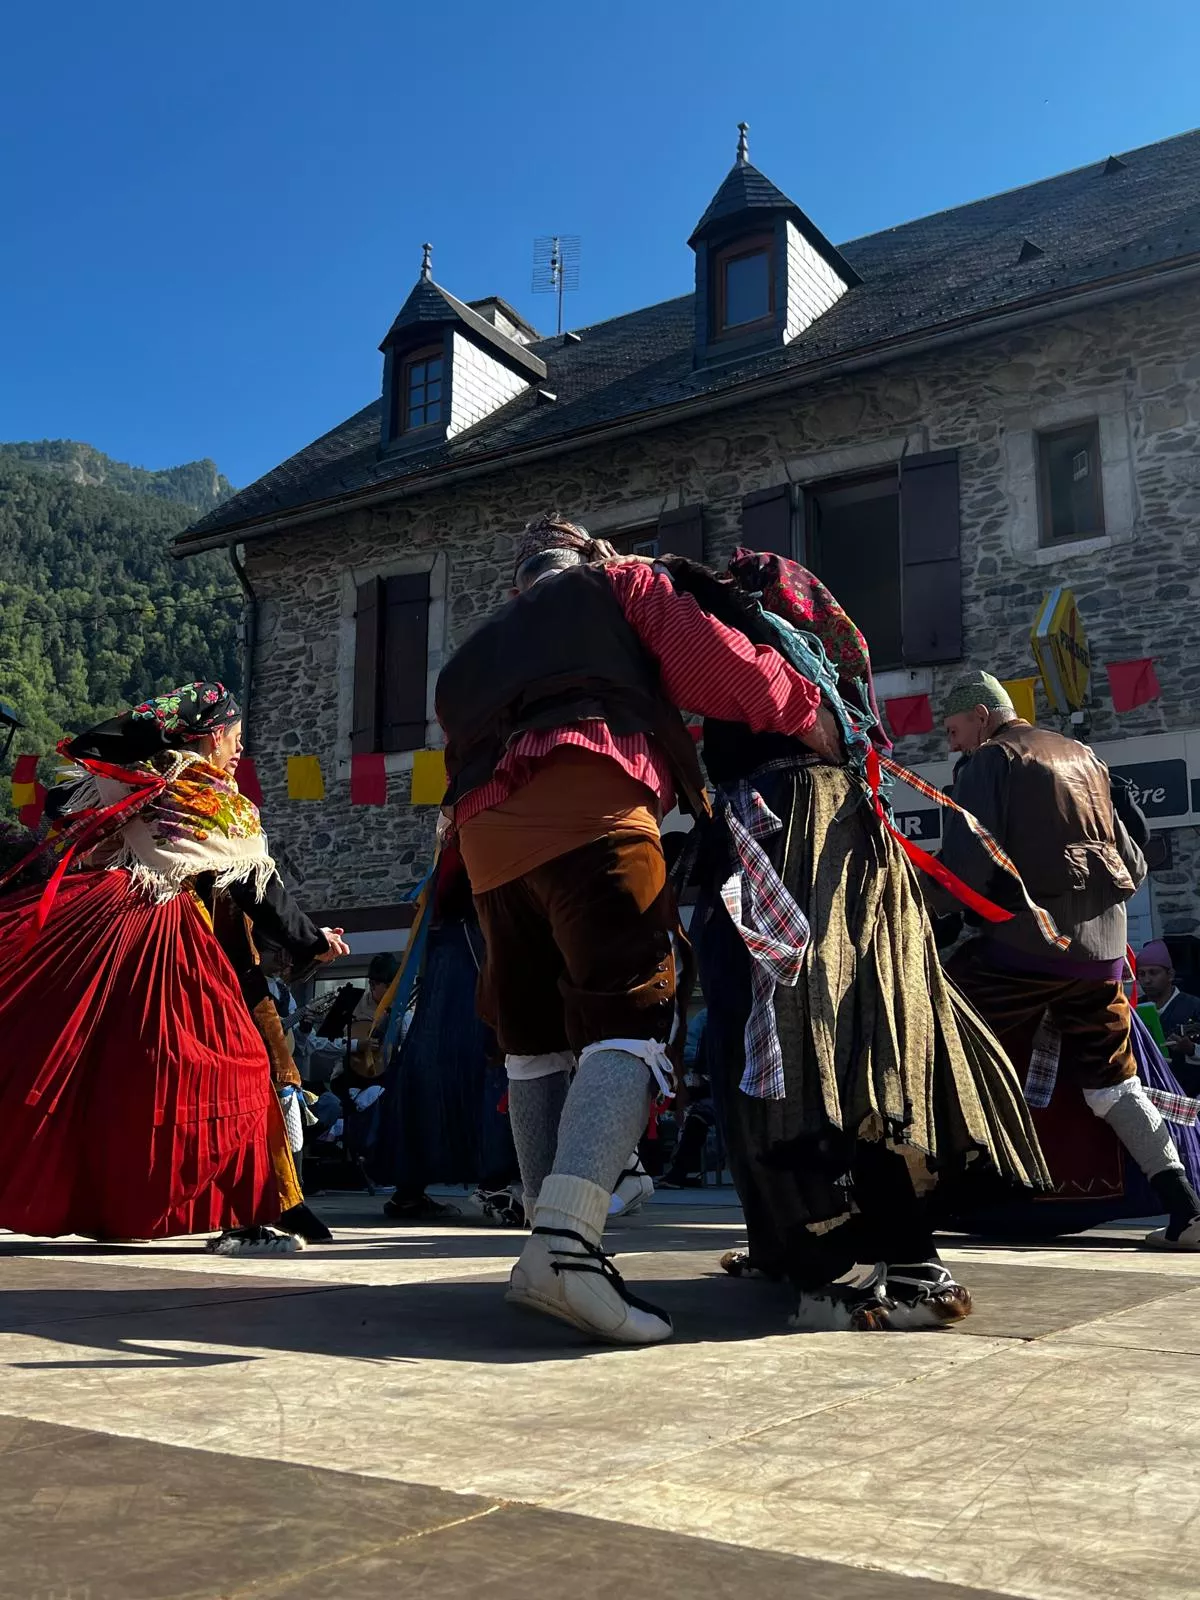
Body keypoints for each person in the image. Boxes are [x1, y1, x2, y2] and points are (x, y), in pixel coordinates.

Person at [435, 513, 842, 1344]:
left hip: (484, 841)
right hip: (592, 804)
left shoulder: (473, 650)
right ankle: (566, 1251)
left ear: (518, 581)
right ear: (584, 555)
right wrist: (813, 713)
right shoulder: (618, 583)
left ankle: (549, 1240)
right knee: (633, 1016)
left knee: (534, 1040)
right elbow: (718, 666)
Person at [669, 552, 1047, 1330]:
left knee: (802, 1042)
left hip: (789, 840)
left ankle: (854, 1265)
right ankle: (874, 1257)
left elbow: (698, 645)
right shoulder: (831, 673)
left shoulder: (755, 650)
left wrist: (674, 582)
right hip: (844, 843)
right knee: (867, 1037)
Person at [0, 682, 349, 1249]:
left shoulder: (140, 785)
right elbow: (261, 894)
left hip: (115, 938)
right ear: (212, 736)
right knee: (234, 1067)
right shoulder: (212, 799)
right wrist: (314, 943)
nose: (239, 750)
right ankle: (245, 1212)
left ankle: (137, 1207)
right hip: (170, 945)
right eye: (235, 737)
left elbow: (70, 799)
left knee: (118, 1076)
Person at [938, 672, 1200, 1251]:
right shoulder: (1084, 755)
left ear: (981, 716)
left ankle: (926, 1197)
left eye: (953, 730)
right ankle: (1187, 1212)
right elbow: (1132, 859)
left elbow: (967, 864)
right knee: (1113, 1084)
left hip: (1025, 950)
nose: (951, 743)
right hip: (1099, 958)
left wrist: (929, 915)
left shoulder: (991, 761)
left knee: (931, 1030)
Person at [1136, 940, 1200, 1097]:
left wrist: (1191, 1049)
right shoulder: (1134, 1008)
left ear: (1170, 975)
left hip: (1187, 1095)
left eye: (1153, 973)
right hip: (1148, 1094)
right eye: (1141, 974)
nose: (1147, 980)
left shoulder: (1194, 1006)